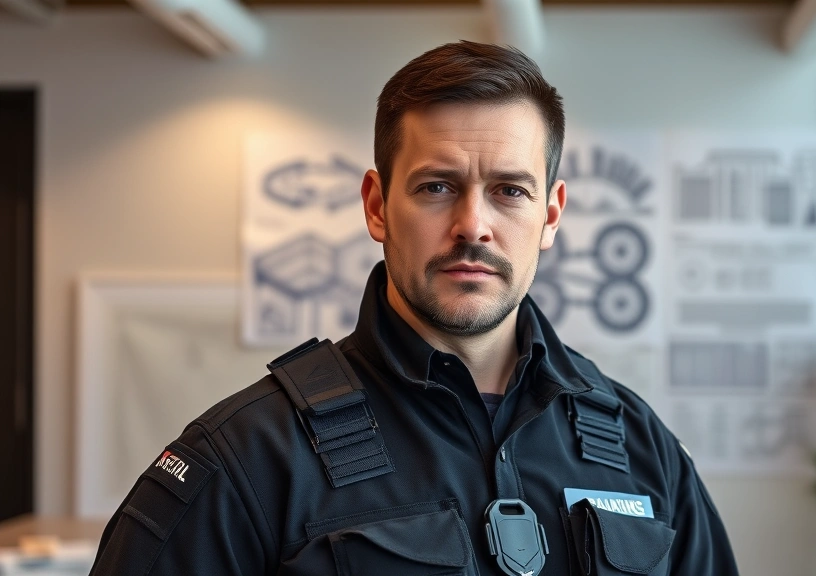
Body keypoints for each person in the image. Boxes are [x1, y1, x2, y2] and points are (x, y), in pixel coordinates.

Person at [90, 41, 738, 576]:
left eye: (509, 190)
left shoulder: (638, 448)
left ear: (551, 213)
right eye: (437, 187)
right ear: (376, 205)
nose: (472, 225)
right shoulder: (247, 460)